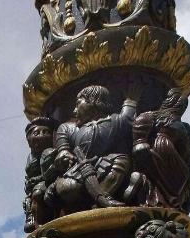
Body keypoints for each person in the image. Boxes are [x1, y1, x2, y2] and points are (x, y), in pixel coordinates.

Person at [46, 84, 139, 212]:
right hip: (77, 172)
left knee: (121, 160)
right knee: (68, 188)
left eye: (78, 104)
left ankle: (104, 198)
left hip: (103, 168)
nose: (74, 111)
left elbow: (127, 118)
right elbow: (63, 132)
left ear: (93, 102)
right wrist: (63, 150)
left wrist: (131, 99)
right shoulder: (74, 129)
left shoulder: (114, 121)